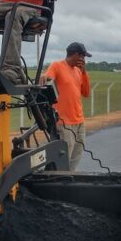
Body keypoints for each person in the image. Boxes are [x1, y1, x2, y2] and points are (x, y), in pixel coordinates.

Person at [41, 42, 91, 171]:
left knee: (76, 155)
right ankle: (60, 179)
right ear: (76, 55)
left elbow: (86, 92)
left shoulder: (78, 71)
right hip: (64, 123)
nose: (83, 60)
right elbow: (47, 79)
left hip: (79, 121)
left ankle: (69, 178)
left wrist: (84, 72)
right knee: (63, 157)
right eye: (83, 56)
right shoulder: (57, 66)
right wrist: (44, 77)